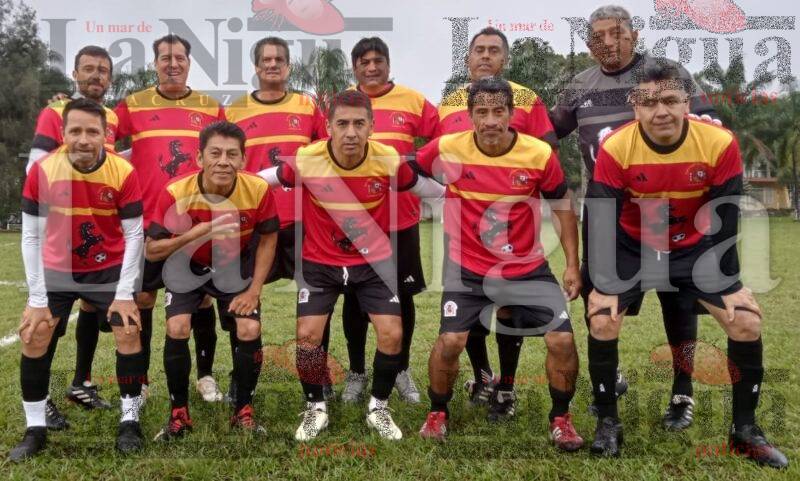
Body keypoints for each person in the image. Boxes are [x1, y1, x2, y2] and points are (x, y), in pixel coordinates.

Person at [584, 63, 788, 469]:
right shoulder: (615, 147)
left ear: (686, 102)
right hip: (633, 245)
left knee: (746, 321)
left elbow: (726, 217)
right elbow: (600, 217)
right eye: (648, 101)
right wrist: (600, 282)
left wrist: (730, 282)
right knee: (602, 319)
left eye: (670, 100)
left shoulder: (718, 142)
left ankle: (745, 431)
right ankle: (608, 422)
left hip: (695, 248)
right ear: (634, 106)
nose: (660, 110)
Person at [549, 4, 719, 427]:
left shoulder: (667, 73)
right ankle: (611, 379)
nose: (609, 42)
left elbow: (709, 125)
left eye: (617, 33)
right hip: (606, 213)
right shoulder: (578, 87)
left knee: (677, 302)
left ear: (634, 35)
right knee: (600, 301)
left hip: (670, 210)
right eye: (600, 36)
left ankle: (683, 393)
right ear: (589, 44)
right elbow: (547, 133)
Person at [258, 90, 444, 440]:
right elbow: (267, 179)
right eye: (342, 123)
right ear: (328, 126)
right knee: (307, 336)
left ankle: (379, 407)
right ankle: (316, 409)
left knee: (392, 333)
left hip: (373, 262)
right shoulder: (308, 158)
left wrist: (468, 190)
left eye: (359, 123)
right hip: (319, 262)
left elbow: (426, 188)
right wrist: (230, 183)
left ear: (372, 126)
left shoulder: (387, 159)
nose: (351, 132)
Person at [417, 78, 583, 451]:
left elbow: (562, 207)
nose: (491, 120)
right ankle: (438, 412)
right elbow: (413, 171)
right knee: (451, 341)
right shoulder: (447, 146)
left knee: (561, 339)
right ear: (470, 116)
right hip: (468, 267)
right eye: (482, 112)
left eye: (498, 111)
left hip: (526, 267)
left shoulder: (538, 154)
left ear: (511, 114)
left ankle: (561, 419)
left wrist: (572, 264)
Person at [10, 99, 146, 461]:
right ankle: (35, 429)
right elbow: (30, 237)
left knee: (128, 328)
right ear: (63, 133)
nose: (84, 139)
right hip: (57, 269)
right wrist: (37, 298)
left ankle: (129, 421)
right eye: (75, 131)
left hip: (107, 267)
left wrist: (123, 294)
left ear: (105, 135)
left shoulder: (122, 171)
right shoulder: (43, 171)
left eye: (92, 131)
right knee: (34, 334)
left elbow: (135, 236)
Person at [437, 26, 559, 420]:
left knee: (508, 311)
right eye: (478, 50)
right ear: (468, 58)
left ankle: (506, 386)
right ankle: (482, 376)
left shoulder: (526, 98)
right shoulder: (450, 102)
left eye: (493, 50)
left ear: (504, 58)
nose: (485, 56)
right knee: (467, 312)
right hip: (462, 228)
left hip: (512, 232)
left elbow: (546, 154)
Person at [147, 121, 278, 438]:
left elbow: (269, 238)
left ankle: (243, 410)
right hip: (186, 265)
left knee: (249, 327)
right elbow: (152, 251)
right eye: (215, 153)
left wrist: (255, 290)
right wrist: (197, 232)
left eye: (232, 154)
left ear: (243, 160)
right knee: (177, 326)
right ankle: (179, 414)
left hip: (232, 266)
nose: (223, 161)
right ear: (199, 158)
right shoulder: (176, 192)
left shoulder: (258, 190)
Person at [114, 34, 226, 403]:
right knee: (144, 297)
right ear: (155, 63)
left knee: (203, 300)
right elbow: (101, 135)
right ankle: (142, 381)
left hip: (196, 223)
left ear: (189, 63)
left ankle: (206, 377)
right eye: (165, 58)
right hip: (149, 224)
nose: (173, 64)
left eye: (179, 57)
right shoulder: (132, 104)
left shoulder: (210, 107)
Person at [224, 36, 330, 403]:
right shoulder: (235, 110)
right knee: (244, 303)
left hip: (305, 221)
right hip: (254, 222)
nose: (272, 65)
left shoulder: (307, 105)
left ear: (288, 66)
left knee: (315, 303)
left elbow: (324, 154)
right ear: (256, 66)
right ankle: (241, 378)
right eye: (266, 59)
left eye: (279, 60)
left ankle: (319, 379)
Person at [336, 36, 439, 404]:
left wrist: (416, 163)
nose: (372, 67)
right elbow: (324, 146)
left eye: (378, 60)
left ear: (389, 64)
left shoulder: (412, 99)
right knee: (353, 296)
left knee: (403, 296)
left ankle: (400, 368)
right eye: (364, 61)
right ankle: (357, 372)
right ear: (355, 68)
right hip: (354, 220)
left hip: (401, 217)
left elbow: (442, 136)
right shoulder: (342, 100)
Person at [28, 46, 120, 419]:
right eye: (89, 69)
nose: (96, 75)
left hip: (101, 230)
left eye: (103, 70)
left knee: (96, 311)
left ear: (110, 78)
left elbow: (117, 164)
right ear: (75, 73)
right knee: (51, 322)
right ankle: (43, 400)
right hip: (62, 234)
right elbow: (37, 166)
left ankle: (81, 382)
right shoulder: (55, 112)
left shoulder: (113, 117)